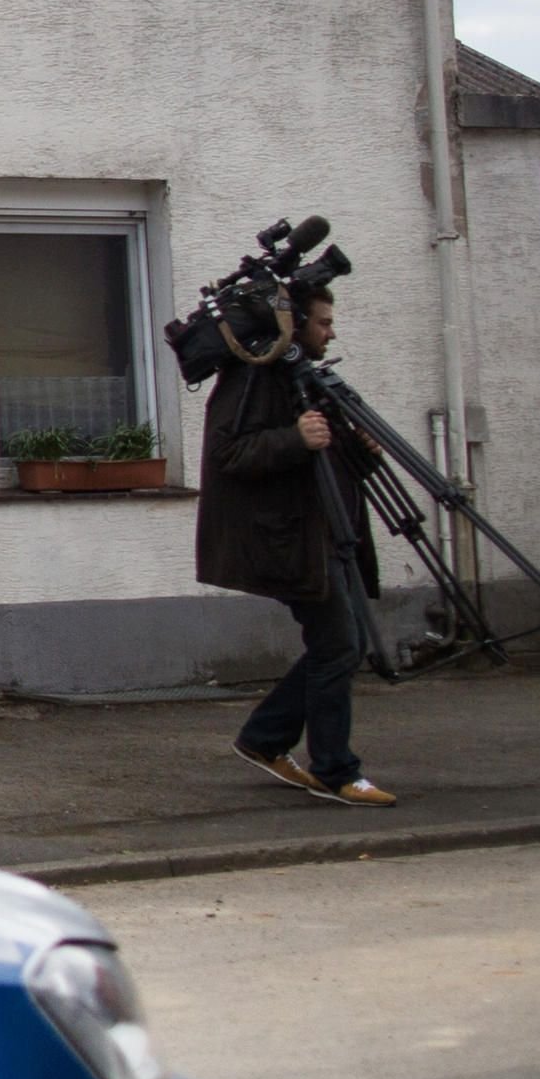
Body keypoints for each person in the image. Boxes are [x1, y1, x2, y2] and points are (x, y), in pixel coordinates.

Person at [197, 283, 396, 807]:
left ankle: (265, 738)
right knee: (339, 644)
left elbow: (325, 455)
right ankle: (335, 771)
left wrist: (362, 452)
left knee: (343, 644)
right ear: (297, 323)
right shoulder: (252, 374)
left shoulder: (300, 376)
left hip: (325, 532)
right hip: (291, 539)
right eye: (324, 322)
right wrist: (294, 439)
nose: (332, 332)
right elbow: (227, 454)